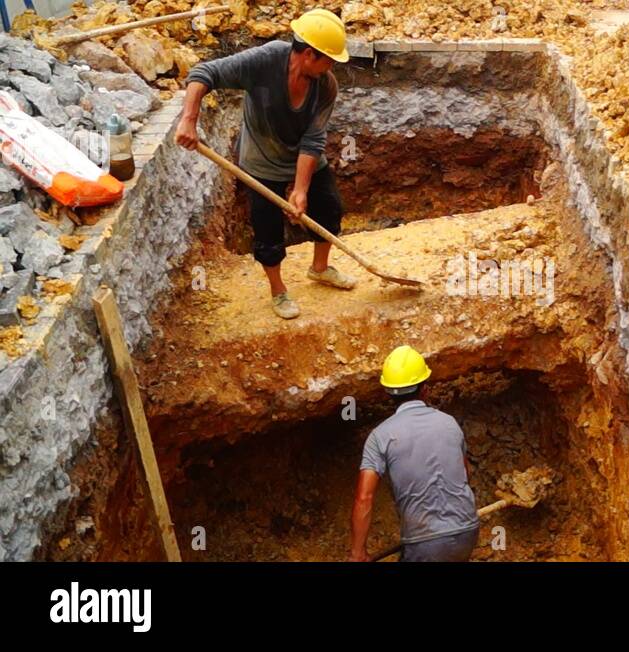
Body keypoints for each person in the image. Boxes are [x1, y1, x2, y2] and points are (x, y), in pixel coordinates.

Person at [175, 8, 356, 320]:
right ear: (310, 54)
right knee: (268, 230)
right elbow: (203, 74)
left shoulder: (326, 85)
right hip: (260, 159)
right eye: (329, 59)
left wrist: (300, 190)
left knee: (328, 207)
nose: (332, 67)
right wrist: (189, 120)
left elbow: (313, 141)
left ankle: (320, 267)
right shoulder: (265, 62)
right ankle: (278, 291)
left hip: (301, 155)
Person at [350, 346, 480, 562]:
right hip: (467, 531)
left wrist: (357, 552)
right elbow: (465, 475)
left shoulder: (380, 436)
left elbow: (364, 497)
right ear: (425, 389)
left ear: (387, 393)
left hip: (425, 541)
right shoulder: (449, 423)